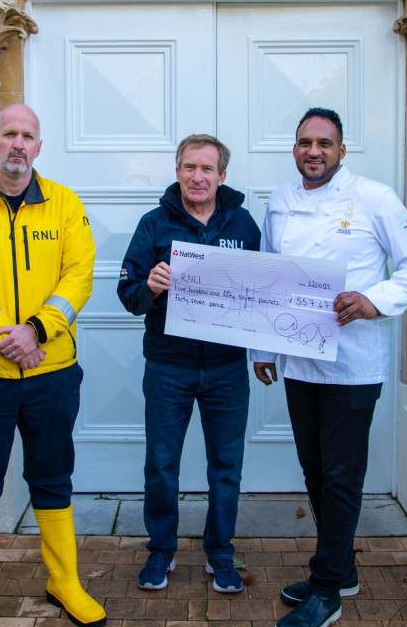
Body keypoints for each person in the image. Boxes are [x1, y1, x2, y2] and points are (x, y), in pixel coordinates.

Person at [252, 108, 407, 627]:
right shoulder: (281, 199)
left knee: (342, 475)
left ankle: (327, 591)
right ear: (294, 148)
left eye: (324, 143)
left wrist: (375, 300)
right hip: (299, 360)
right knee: (315, 470)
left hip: (354, 365)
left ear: (341, 151)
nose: (314, 151)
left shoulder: (375, 197)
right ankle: (342, 567)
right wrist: (263, 351)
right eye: (305, 142)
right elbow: (269, 275)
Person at [0, 104, 104, 627]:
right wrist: (6, 336)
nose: (18, 144)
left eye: (27, 136)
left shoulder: (65, 205)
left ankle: (64, 582)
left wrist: (37, 330)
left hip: (51, 371)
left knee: (53, 477)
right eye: (9, 133)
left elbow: (79, 276)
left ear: (38, 147)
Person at [117, 134, 261, 594]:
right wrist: (152, 287)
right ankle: (162, 550)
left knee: (226, 465)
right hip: (168, 367)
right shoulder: (153, 224)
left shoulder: (244, 224)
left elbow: (263, 293)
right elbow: (128, 296)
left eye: (207, 169)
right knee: (161, 464)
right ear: (177, 170)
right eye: (189, 167)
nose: (197, 177)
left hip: (225, 370)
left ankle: (220, 553)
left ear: (222, 176)